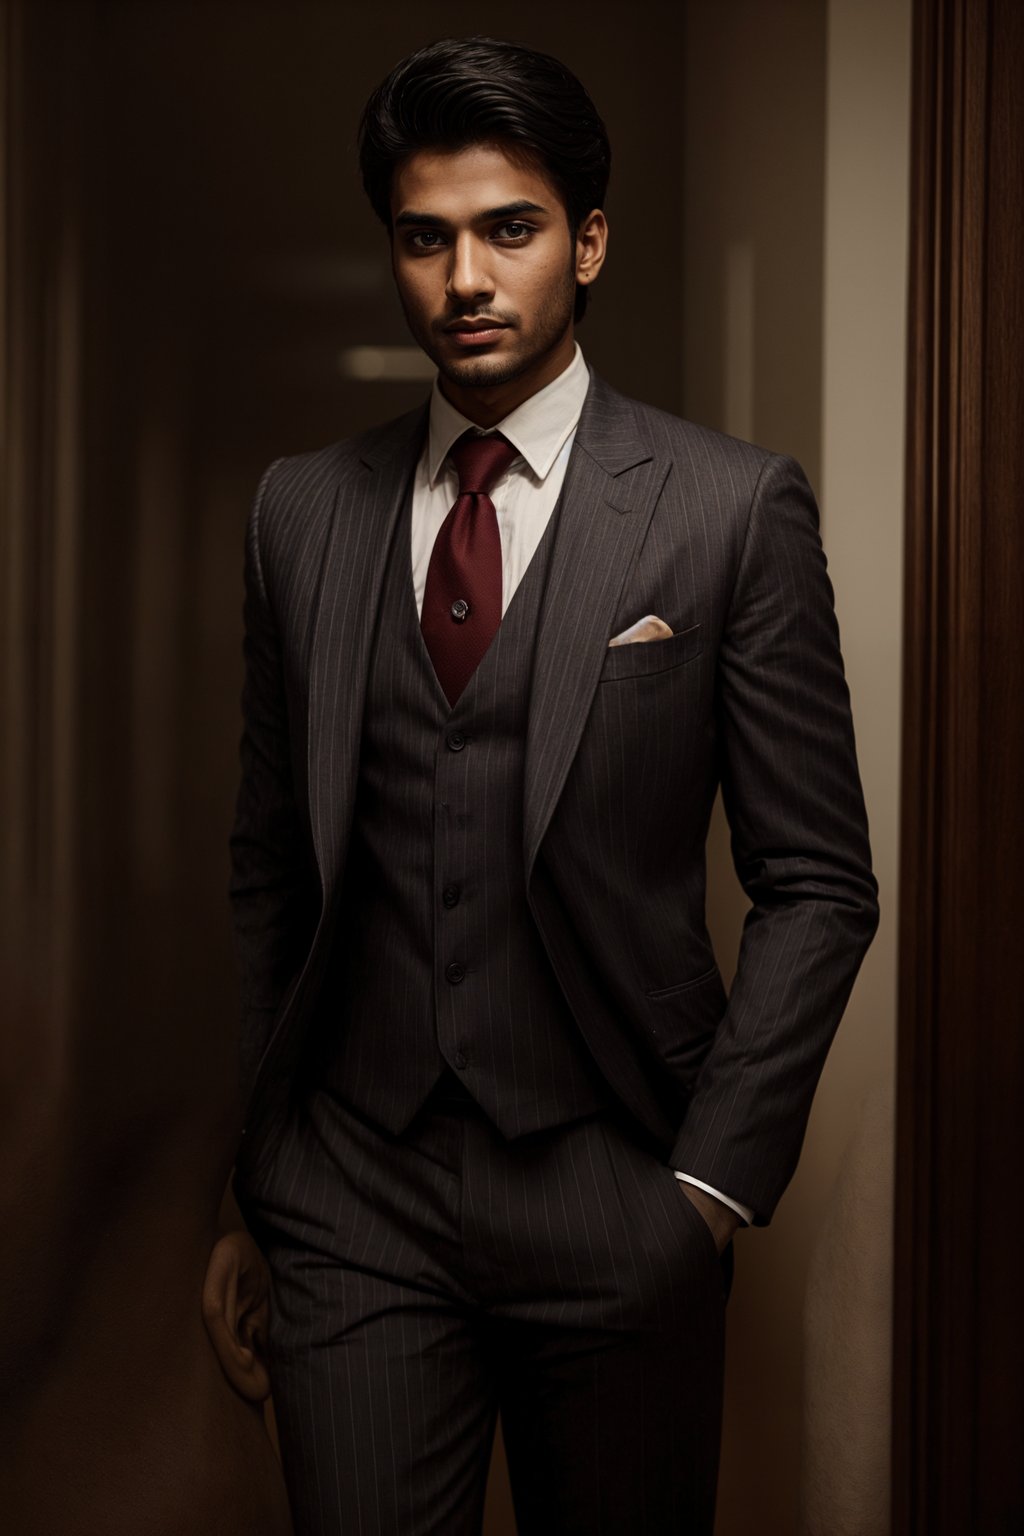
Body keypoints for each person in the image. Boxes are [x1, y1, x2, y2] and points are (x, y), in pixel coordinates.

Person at [230, 35, 878, 1536]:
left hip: (619, 1187)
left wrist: (707, 1191)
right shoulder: (299, 514)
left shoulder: (729, 510)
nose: (466, 276)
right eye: (425, 236)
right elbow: (274, 866)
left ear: (585, 243)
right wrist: (251, 1184)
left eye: (508, 230)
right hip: (352, 1192)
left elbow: (819, 882)